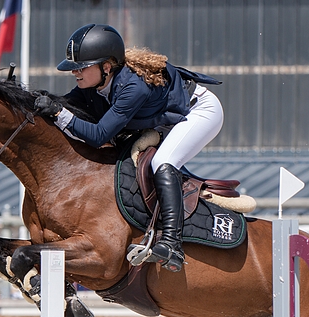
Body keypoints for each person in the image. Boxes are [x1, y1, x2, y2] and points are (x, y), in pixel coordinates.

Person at [33, 23, 224, 273]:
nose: (75, 73)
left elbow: (99, 134)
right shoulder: (93, 85)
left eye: (81, 67)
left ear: (106, 67)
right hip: (164, 119)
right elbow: (65, 104)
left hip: (200, 112)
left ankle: (172, 244)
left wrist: (58, 113)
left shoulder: (133, 88)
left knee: (162, 162)